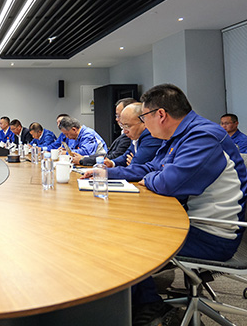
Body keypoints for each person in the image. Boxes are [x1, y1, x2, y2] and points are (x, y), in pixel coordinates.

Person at [82, 84, 247, 324]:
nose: (143, 124)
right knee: (122, 229)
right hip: (191, 221)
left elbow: (168, 183)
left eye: (143, 117)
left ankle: (150, 309)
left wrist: (151, 178)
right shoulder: (179, 136)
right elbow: (152, 168)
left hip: (213, 234)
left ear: (160, 114)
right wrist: (108, 173)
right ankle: (141, 303)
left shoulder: (203, 137)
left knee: (122, 241)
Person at [72, 98, 135, 166]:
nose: (117, 119)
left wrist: (83, 160)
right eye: (116, 116)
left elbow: (114, 158)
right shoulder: (125, 134)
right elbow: (112, 157)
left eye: (119, 116)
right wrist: (84, 158)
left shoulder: (131, 136)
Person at [104, 103, 162, 168]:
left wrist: (132, 163)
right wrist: (112, 163)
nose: (125, 131)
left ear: (144, 122)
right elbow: (126, 156)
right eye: (123, 126)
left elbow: (137, 165)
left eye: (128, 126)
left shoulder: (151, 136)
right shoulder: (136, 135)